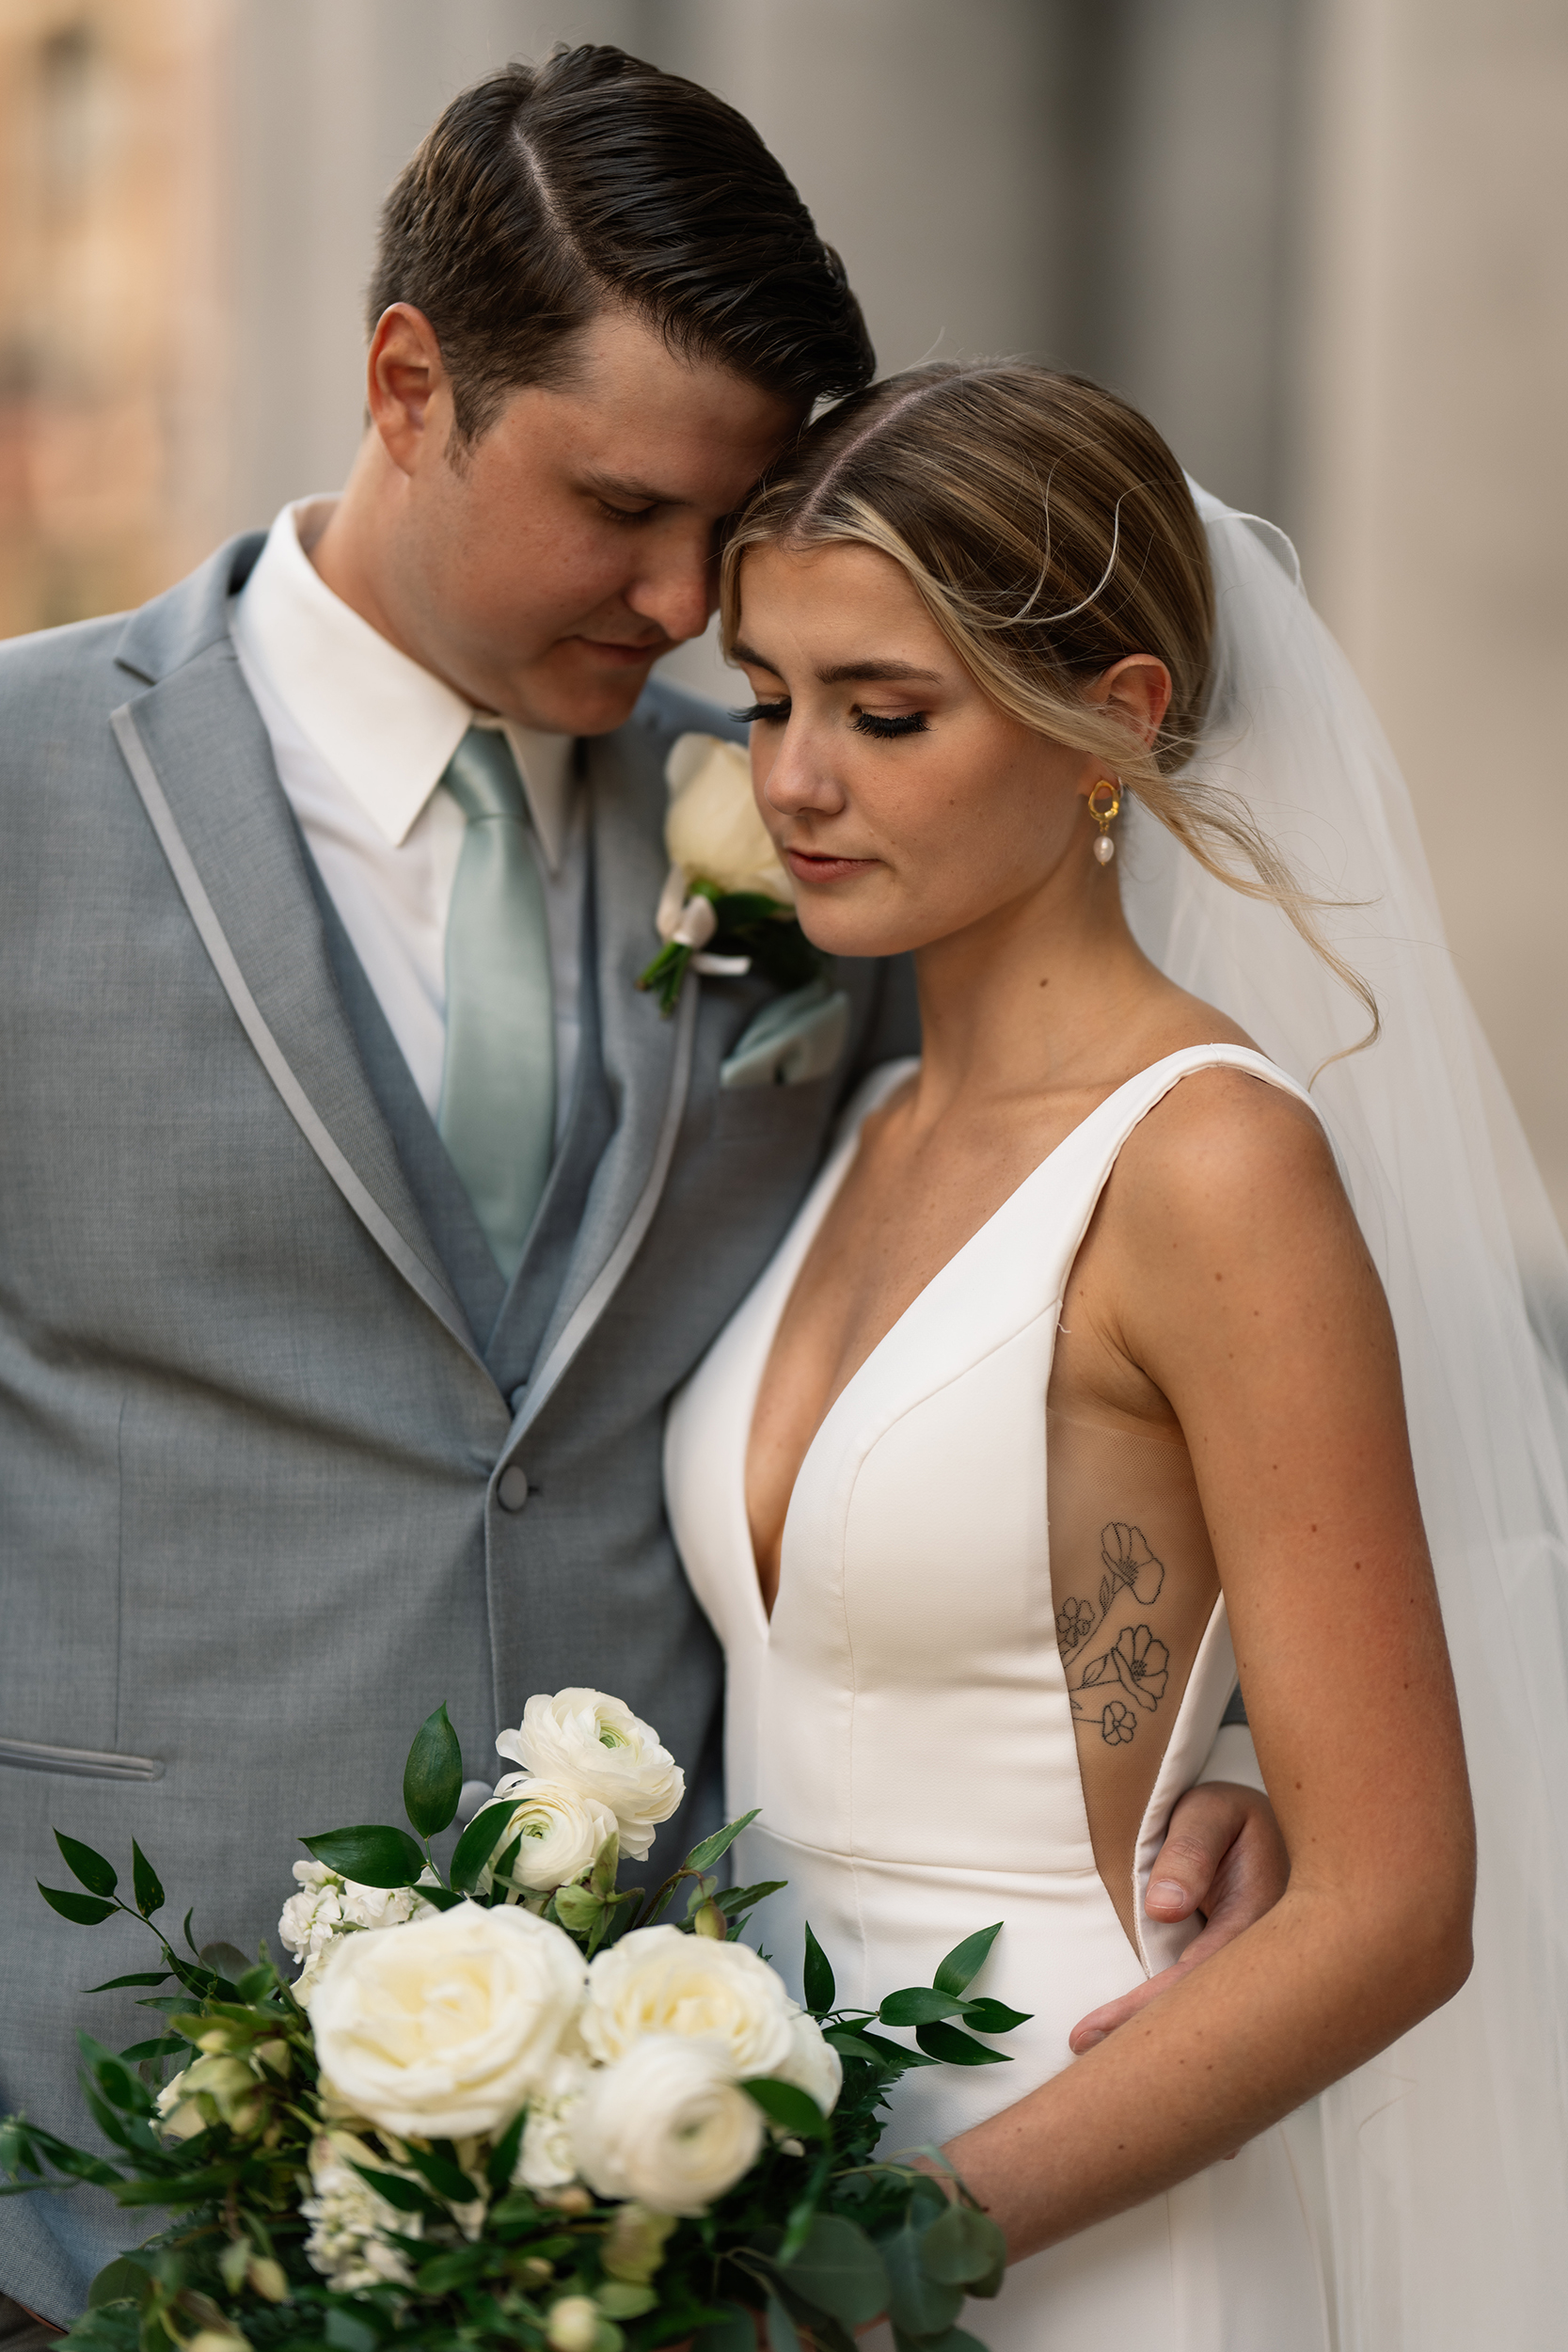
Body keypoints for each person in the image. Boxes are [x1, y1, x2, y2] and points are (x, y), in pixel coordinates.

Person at [0, 53, 1282, 2334]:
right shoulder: (17, 787)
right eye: (620, 507)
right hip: (98, 2131)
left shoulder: (827, 817)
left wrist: (1232, 1736)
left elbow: (1067, 1292)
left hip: (670, 2157)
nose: (689, 599)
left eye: (727, 525)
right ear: (410, 383)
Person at [667, 361, 1568, 2346]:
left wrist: (879, 2257)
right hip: (751, 2174)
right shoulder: (855, 1120)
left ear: (1113, 725)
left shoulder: (1214, 1162)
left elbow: (1395, 1903)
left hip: (1067, 2208)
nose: (795, 778)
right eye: (771, 697)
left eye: (884, 711)